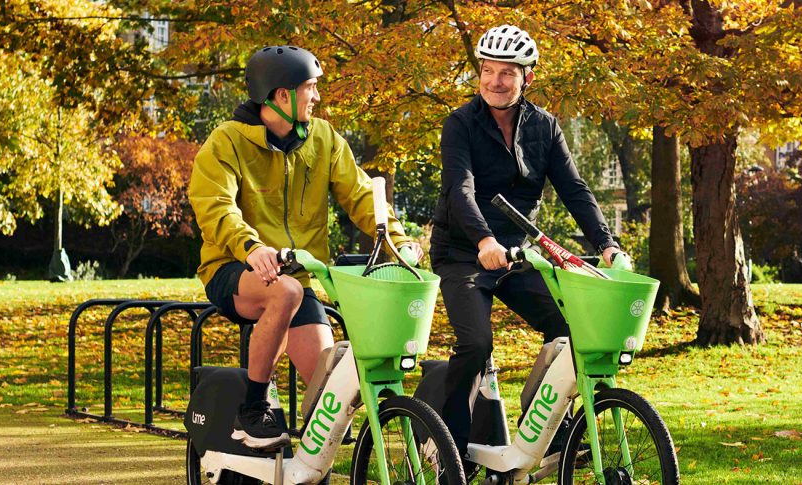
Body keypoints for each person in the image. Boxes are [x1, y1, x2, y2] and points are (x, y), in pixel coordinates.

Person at [188, 45, 422, 450]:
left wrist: (397, 241)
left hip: (296, 272)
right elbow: (215, 206)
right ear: (282, 95)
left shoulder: (323, 139)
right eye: (310, 88)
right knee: (287, 291)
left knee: (329, 401)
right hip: (233, 267)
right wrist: (251, 247)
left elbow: (362, 195)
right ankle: (252, 409)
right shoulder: (227, 142)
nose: (317, 97)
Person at [428, 25, 625, 456]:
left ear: (527, 78)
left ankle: (547, 426)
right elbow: (460, 189)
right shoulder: (459, 124)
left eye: (507, 73)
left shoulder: (545, 127)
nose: (495, 81)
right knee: (476, 343)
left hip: (519, 253)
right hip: (463, 251)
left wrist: (607, 244)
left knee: (572, 330)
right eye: (487, 70)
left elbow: (575, 190)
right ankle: (447, 446)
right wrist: (483, 241)